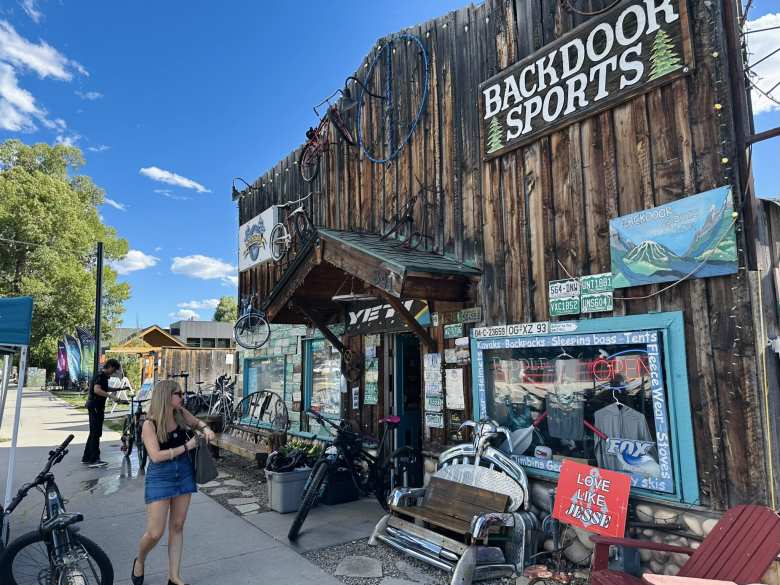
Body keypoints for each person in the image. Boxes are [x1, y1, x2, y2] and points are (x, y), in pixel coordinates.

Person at [131, 379, 215, 585]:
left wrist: (206, 428)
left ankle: (174, 577)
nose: (182, 397)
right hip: (160, 476)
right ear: (166, 396)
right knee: (155, 533)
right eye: (179, 394)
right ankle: (140, 560)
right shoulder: (149, 425)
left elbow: (197, 422)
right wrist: (187, 446)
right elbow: (155, 456)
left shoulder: (180, 413)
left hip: (183, 472)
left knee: (177, 526)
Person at [81, 358, 122, 467]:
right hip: (95, 406)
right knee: (96, 432)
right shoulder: (100, 376)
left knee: (94, 432)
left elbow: (104, 388)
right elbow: (97, 390)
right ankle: (94, 459)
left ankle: (87, 457)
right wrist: (112, 397)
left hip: (96, 406)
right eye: (114, 370)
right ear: (110, 366)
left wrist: (118, 389)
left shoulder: (102, 376)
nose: (113, 373)